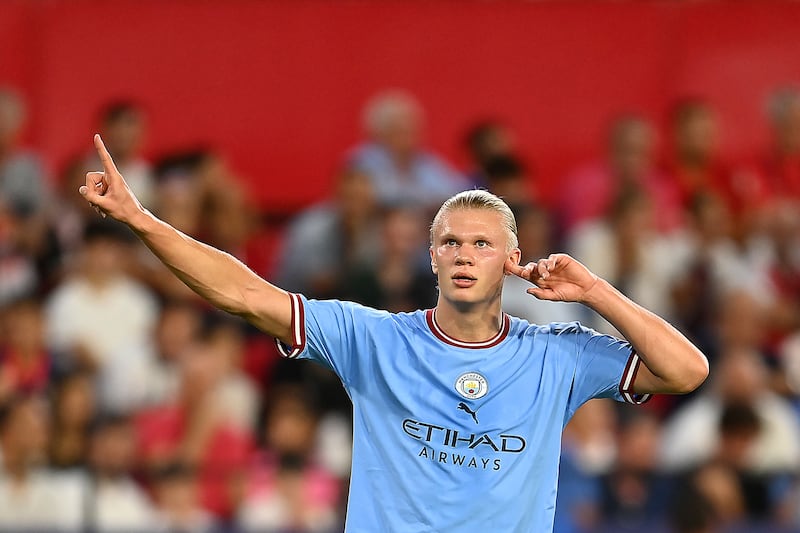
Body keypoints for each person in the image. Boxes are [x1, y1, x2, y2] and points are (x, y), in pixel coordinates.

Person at [79, 134, 708, 532]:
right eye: (450, 243)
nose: (464, 254)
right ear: (431, 259)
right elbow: (245, 294)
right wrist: (142, 221)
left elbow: (687, 371)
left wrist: (595, 291)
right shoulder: (374, 339)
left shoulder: (558, 356)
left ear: (512, 259)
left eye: (482, 244)